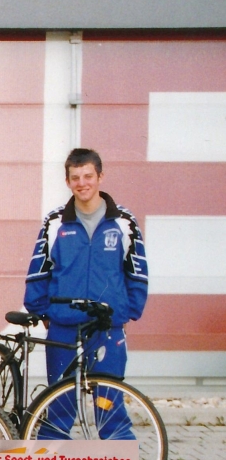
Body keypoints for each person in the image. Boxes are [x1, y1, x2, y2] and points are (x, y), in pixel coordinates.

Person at [24, 148, 148, 439]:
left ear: (100, 176)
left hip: (106, 327)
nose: (82, 183)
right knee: (58, 407)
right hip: (64, 328)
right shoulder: (55, 222)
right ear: (67, 181)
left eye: (88, 176)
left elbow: (137, 271)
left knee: (109, 405)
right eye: (75, 177)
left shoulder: (124, 222)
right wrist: (42, 311)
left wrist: (126, 311)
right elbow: (38, 270)